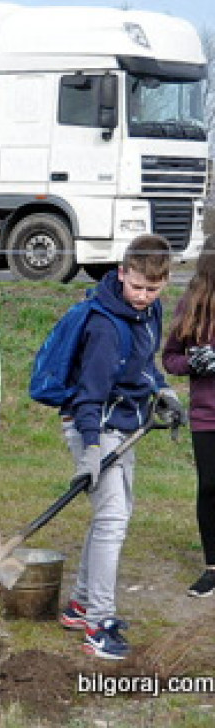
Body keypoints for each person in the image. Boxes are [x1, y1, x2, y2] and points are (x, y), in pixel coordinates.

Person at [57, 234, 184, 660]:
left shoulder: (150, 312)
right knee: (112, 520)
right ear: (121, 272)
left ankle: (79, 605)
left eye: (153, 289)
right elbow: (89, 396)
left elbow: (145, 364)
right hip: (93, 424)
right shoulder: (105, 327)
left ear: (165, 282)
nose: (144, 296)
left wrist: (164, 391)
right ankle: (98, 624)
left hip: (124, 423)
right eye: (137, 286)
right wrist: (90, 450)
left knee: (115, 515)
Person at [162, 233, 215, 599]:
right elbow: (170, 358)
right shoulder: (191, 304)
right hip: (206, 415)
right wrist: (193, 362)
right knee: (210, 487)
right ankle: (212, 566)